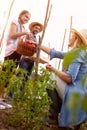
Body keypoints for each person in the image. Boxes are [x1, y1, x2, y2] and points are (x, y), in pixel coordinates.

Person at [40, 28, 87, 129]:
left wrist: (53, 69)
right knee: (55, 80)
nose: (70, 38)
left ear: (76, 39)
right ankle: (64, 116)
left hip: (76, 92)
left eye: (72, 36)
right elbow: (55, 53)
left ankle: (52, 118)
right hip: (82, 92)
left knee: (51, 78)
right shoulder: (79, 53)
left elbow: (70, 78)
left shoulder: (78, 54)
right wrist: (38, 45)